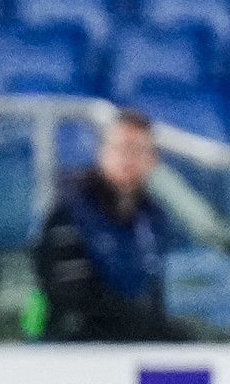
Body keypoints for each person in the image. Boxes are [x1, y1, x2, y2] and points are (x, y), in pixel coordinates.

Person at [31, 109, 187, 343]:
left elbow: (155, 287)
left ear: (152, 159)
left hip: (131, 340)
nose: (127, 158)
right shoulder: (70, 209)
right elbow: (70, 295)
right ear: (102, 152)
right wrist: (141, 323)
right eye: (119, 148)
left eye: (136, 150)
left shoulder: (154, 217)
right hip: (69, 345)